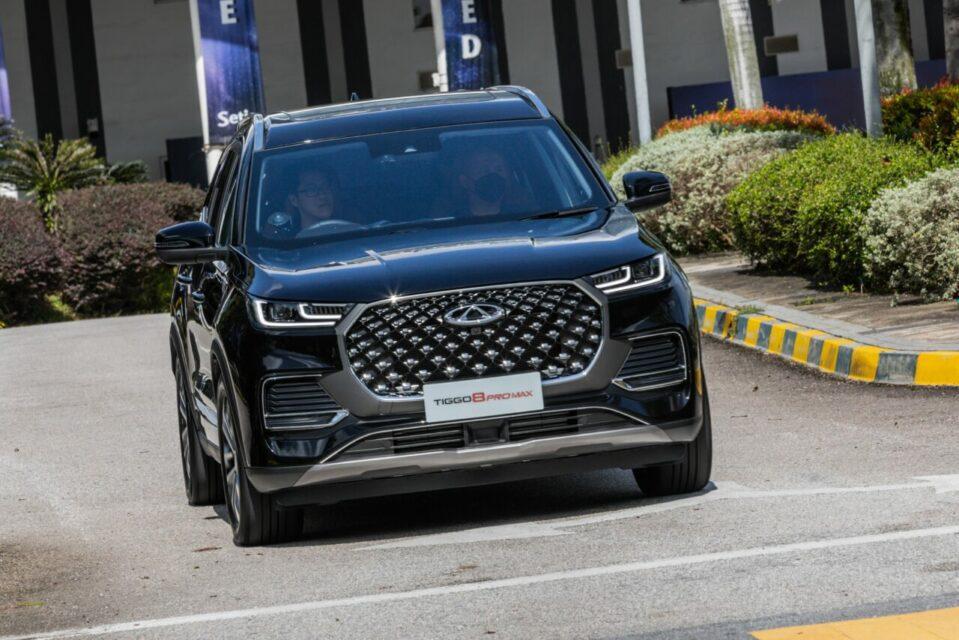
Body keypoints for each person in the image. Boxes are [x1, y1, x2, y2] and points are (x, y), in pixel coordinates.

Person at [456, 148, 515, 217]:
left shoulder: (521, 217)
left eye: (499, 170)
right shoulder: (452, 221)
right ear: (465, 182)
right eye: (483, 170)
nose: (493, 176)